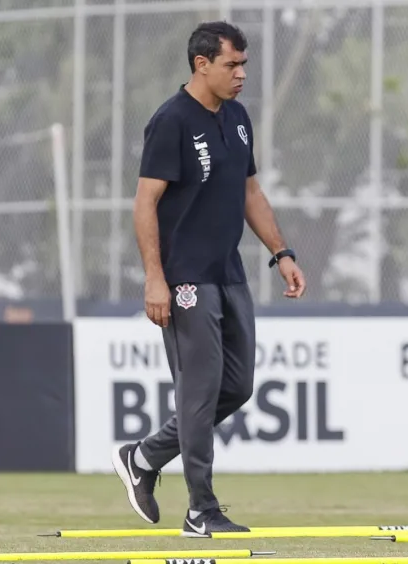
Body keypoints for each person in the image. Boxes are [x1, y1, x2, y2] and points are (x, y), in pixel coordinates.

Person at [111, 20, 306, 537]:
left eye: (243, 64)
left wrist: (281, 251)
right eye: (232, 65)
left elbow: (250, 194)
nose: (242, 74)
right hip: (186, 279)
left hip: (230, 274)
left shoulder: (238, 117)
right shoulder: (171, 120)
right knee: (197, 394)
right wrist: (155, 279)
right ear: (202, 64)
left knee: (237, 386)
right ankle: (201, 510)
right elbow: (145, 203)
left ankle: (144, 456)